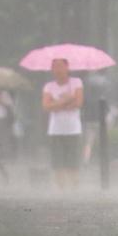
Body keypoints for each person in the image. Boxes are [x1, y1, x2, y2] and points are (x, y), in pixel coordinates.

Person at [42, 58, 84, 190]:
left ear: (67, 68)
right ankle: (61, 190)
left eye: (61, 66)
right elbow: (46, 106)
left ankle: (74, 189)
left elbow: (78, 103)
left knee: (73, 163)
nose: (58, 70)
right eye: (55, 67)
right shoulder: (49, 86)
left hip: (73, 129)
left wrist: (56, 103)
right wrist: (68, 100)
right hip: (55, 130)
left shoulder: (76, 82)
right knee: (58, 164)